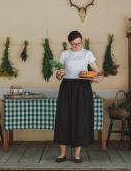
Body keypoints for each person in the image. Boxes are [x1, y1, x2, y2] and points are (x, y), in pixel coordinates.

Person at [54, 30, 102, 163]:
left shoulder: (88, 53)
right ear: (70, 43)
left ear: (82, 41)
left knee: (80, 119)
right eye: (74, 44)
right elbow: (58, 76)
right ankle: (62, 154)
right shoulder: (64, 54)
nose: (77, 46)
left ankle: (77, 155)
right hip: (67, 87)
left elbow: (97, 72)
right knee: (63, 118)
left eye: (79, 43)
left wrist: (97, 78)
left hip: (83, 88)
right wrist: (59, 74)